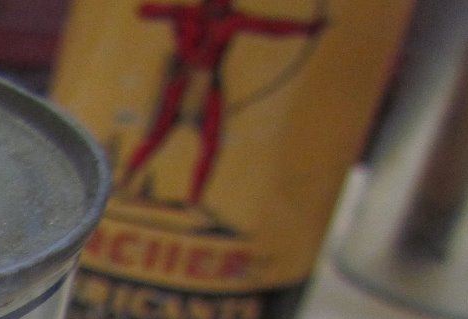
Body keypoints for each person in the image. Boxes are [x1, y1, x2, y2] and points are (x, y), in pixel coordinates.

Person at [117, 0, 325, 205]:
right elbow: (144, 11)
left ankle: (194, 200)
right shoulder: (187, 14)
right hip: (181, 82)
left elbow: (270, 27)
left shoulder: (232, 20)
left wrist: (307, 28)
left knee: (211, 144)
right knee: (156, 135)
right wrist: (169, 11)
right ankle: (124, 181)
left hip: (208, 85)